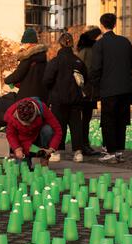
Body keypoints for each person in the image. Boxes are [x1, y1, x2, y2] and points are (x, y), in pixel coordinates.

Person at [91, 13, 132, 164]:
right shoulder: (125, 42)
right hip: (126, 88)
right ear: (115, 24)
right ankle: (120, 152)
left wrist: (95, 87)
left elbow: (95, 69)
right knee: (121, 121)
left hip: (108, 89)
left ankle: (110, 151)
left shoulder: (100, 44)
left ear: (101, 25)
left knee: (108, 120)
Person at [43, 33, 88, 163]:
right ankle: (78, 152)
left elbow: (47, 80)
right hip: (75, 99)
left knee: (58, 126)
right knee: (76, 126)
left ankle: (56, 152)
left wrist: (53, 89)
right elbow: (85, 78)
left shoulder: (55, 61)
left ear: (60, 44)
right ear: (72, 44)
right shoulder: (78, 61)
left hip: (58, 99)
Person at [5, 98, 62, 169]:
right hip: (23, 144)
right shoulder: (12, 115)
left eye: (29, 123)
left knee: (48, 130)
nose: (27, 125)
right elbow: (10, 134)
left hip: (38, 138)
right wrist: (17, 149)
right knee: (23, 169)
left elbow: (58, 130)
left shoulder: (42, 108)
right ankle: (28, 157)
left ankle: (44, 156)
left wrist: (51, 149)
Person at [77, 26, 103, 157]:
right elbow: (84, 71)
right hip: (86, 91)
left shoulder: (88, 50)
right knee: (84, 119)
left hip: (88, 90)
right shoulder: (88, 51)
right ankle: (83, 145)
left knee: (86, 119)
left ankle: (84, 144)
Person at [5, 28, 48, 102]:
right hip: (41, 97)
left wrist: (7, 80)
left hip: (27, 98)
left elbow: (18, 75)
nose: (23, 46)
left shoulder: (28, 57)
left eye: (24, 43)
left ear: (29, 43)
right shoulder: (43, 56)